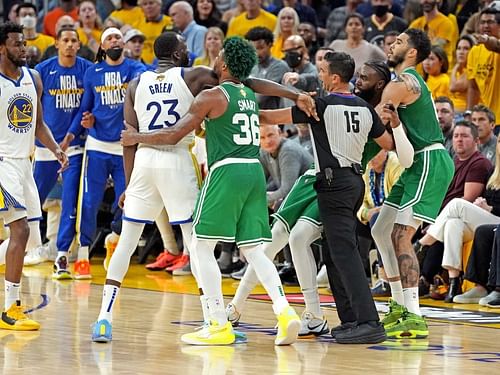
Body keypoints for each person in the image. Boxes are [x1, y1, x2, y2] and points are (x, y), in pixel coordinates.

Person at [102, 33, 316, 345]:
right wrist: (298, 99)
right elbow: (266, 108)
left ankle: (217, 323)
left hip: (224, 171)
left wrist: (138, 138)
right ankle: (285, 313)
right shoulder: (245, 94)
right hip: (253, 173)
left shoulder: (210, 95)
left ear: (226, 65)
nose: (212, 58)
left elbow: (175, 134)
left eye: (219, 57)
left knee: (200, 246)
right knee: (255, 250)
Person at [259, 51, 415, 344]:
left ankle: (370, 322)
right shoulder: (365, 108)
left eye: (322, 71)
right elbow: (387, 143)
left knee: (344, 252)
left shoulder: (320, 104)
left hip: (334, 184)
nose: (319, 75)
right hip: (354, 182)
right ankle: (351, 318)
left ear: (334, 77)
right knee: (333, 250)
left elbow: (269, 116)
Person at [370, 29, 455, 339]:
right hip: (415, 162)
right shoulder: (402, 81)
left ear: (412, 53)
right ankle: (398, 305)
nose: (393, 43)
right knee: (381, 228)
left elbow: (380, 114)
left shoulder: (404, 82)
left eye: (400, 42)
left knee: (401, 234)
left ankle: (414, 315)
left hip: (429, 160)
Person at [0, 22, 68, 330]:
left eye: (24, 43)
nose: (23, 49)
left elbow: (38, 123)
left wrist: (55, 149)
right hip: (2, 163)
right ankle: (10, 309)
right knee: (20, 233)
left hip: (25, 163)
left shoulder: (34, 78)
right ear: (2, 48)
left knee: (31, 241)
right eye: (16, 44)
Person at [64, 27, 146, 279]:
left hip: (127, 148)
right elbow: (84, 109)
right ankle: (84, 255)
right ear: (102, 45)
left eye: (118, 37)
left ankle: (115, 240)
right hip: (97, 145)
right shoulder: (93, 72)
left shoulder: (135, 69)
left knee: (129, 200)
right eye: (110, 38)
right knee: (88, 202)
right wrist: (73, 132)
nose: (115, 40)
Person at [33, 27, 93, 279]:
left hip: (75, 148)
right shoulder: (41, 71)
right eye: (65, 40)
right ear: (56, 43)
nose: (69, 45)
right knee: (33, 200)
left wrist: (88, 121)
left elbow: (90, 106)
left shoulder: (88, 69)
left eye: (73, 41)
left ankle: (62, 254)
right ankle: (27, 246)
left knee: (70, 201)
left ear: (79, 45)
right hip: (45, 147)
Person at [414, 122, 494, 302]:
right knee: (451, 224)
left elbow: (466, 199)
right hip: (465, 216)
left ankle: (422, 246)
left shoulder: (480, 163)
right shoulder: (453, 162)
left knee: (456, 205)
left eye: (464, 136)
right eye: (456, 135)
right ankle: (453, 281)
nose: (459, 139)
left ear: (476, 141)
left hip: (484, 216)